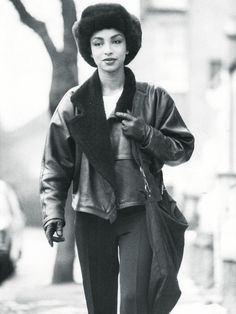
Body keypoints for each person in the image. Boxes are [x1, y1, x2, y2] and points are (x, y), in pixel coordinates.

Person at [39, 3, 194, 314]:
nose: (107, 50)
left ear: (128, 46)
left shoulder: (153, 98)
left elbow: (182, 148)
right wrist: (53, 212)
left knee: (136, 302)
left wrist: (148, 134)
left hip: (139, 212)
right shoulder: (74, 103)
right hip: (90, 214)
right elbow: (55, 164)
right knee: (100, 305)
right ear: (89, 50)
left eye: (116, 40)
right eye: (98, 43)